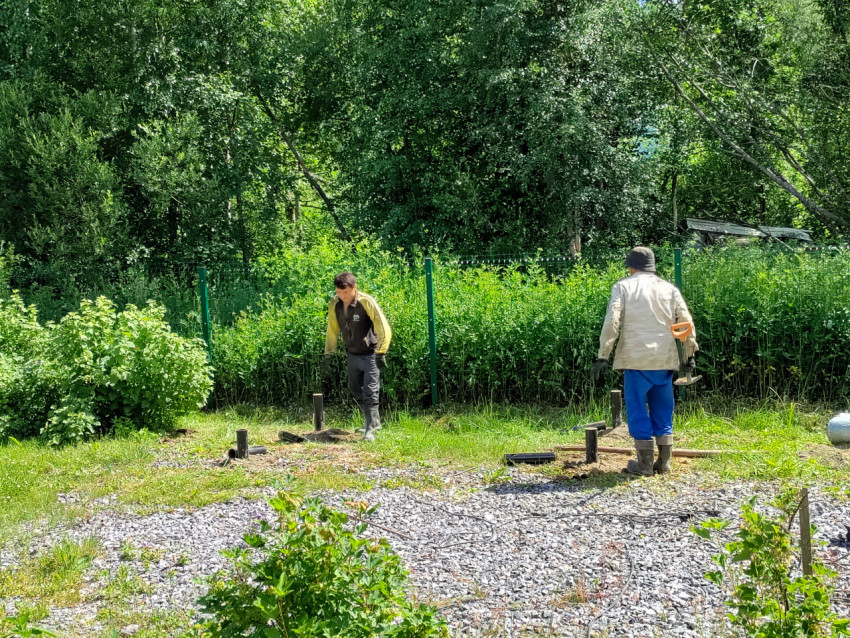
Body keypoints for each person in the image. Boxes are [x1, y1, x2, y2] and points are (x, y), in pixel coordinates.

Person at [591, 247, 698, 476]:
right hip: (664, 359)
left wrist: (603, 355)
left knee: (638, 409)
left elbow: (612, 320)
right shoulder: (669, 289)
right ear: (652, 267)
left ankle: (644, 465)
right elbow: (686, 322)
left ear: (631, 267)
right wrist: (689, 355)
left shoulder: (623, 287)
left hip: (635, 360)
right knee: (663, 408)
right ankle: (664, 462)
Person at [322, 272, 392, 441]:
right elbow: (332, 329)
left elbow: (382, 326)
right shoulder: (335, 304)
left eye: (346, 292)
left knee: (370, 392)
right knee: (355, 389)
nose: (343, 296)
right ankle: (374, 423)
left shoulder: (366, 301)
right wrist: (328, 354)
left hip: (371, 354)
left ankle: (370, 430)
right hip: (352, 354)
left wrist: (381, 352)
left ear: (354, 288)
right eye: (339, 292)